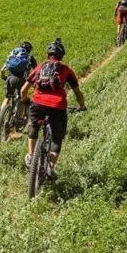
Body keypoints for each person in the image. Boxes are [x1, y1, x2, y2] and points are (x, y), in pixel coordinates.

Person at [21, 38, 86, 179]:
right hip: (57, 107)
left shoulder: (39, 67)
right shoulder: (66, 70)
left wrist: (26, 100)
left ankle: (31, 155)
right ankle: (50, 167)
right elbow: (77, 92)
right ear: (62, 55)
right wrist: (81, 106)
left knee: (33, 127)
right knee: (57, 138)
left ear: (47, 54)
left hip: (37, 104)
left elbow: (23, 90)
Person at [0, 41, 36, 118]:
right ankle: (18, 118)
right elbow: (36, 71)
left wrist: (3, 77)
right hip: (21, 80)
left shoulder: (13, 55)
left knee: (7, 98)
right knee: (22, 98)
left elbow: (2, 70)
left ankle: (1, 117)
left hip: (10, 79)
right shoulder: (29, 57)